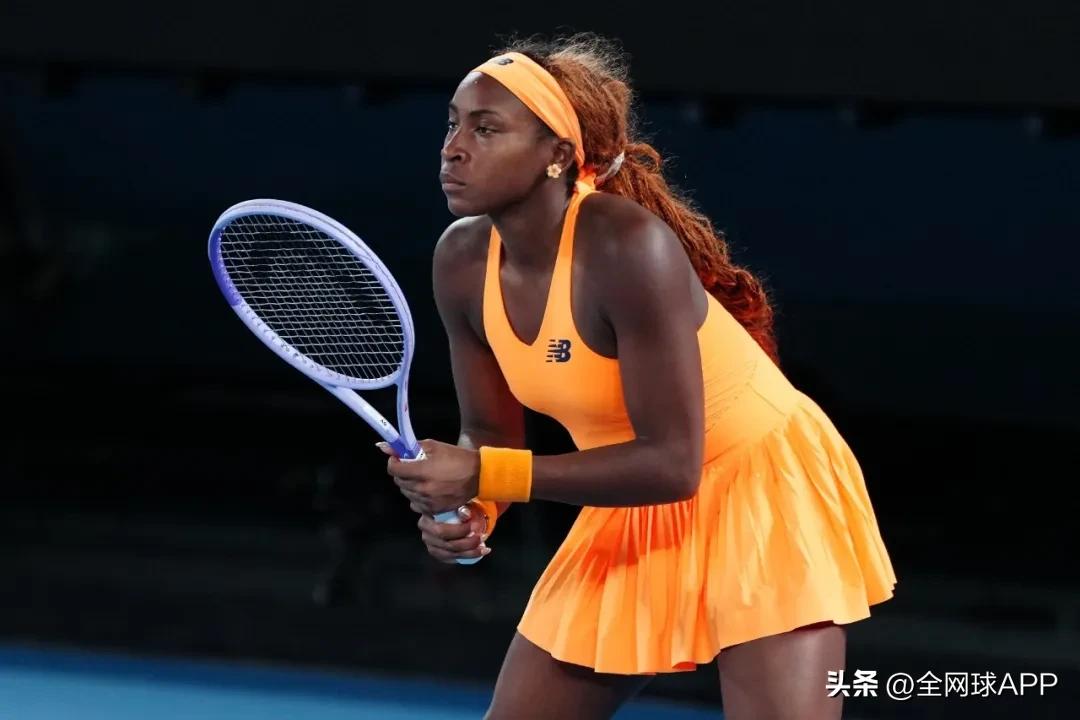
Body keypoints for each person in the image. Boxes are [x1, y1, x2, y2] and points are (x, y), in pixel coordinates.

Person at [379, 32, 896, 720]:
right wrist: (477, 508)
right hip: (629, 497)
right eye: (452, 124)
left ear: (558, 155)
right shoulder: (461, 261)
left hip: (760, 486)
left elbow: (673, 465)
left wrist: (483, 474)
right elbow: (489, 433)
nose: (453, 148)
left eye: (486, 128)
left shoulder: (625, 247)